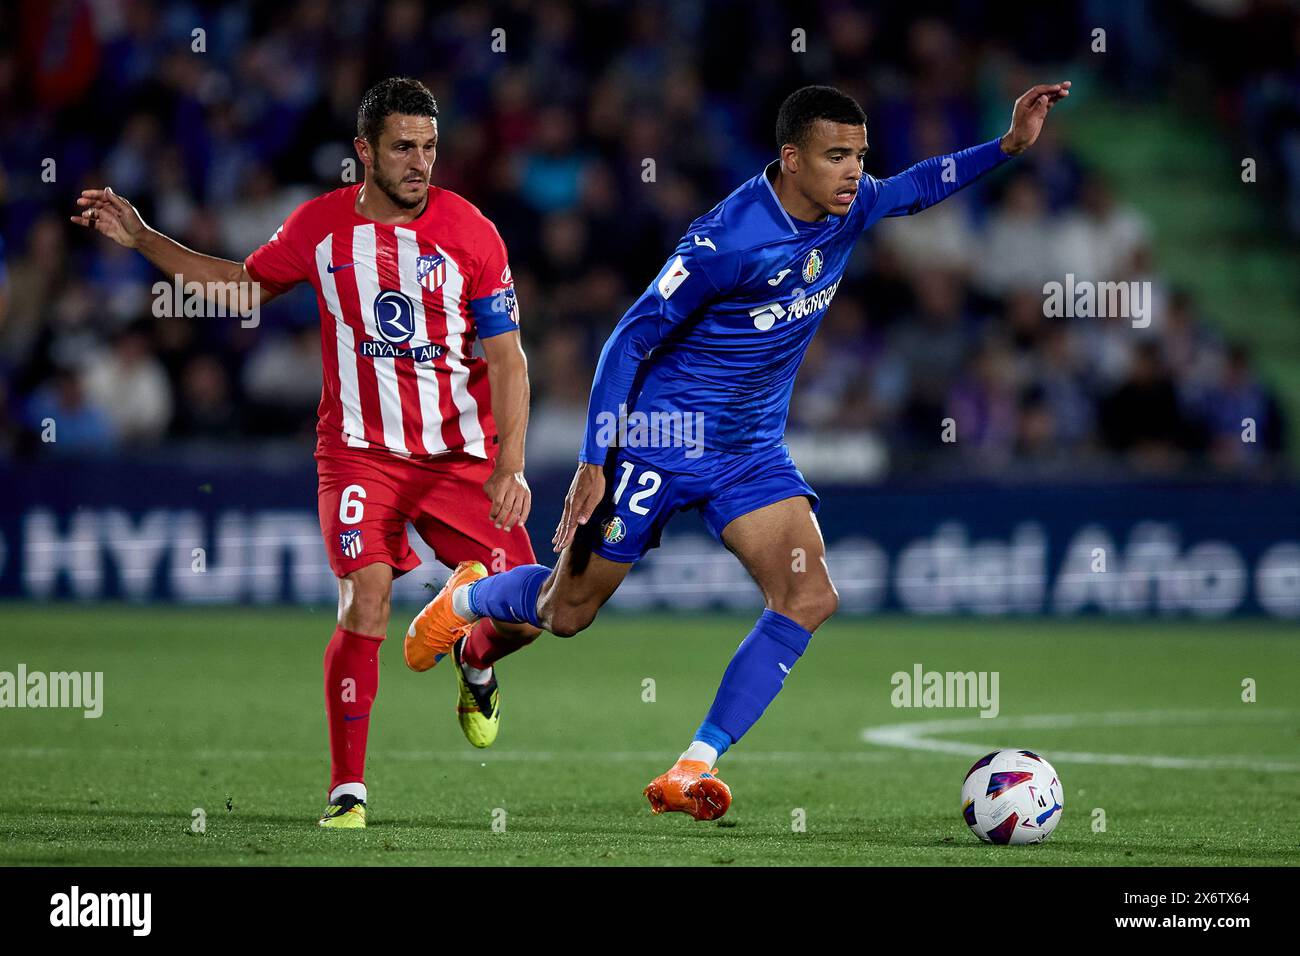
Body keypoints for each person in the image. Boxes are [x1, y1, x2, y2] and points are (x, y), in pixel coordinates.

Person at [407, 81, 1070, 821]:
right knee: (565, 613)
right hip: (660, 443)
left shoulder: (850, 211)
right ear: (791, 159)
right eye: (837, 157)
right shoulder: (727, 239)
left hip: (749, 450)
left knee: (809, 596)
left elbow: (918, 187)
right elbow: (629, 339)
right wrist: (597, 460)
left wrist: (1007, 146)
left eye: (860, 156)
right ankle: (465, 601)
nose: (855, 172)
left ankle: (690, 768)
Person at [72, 77, 542, 829]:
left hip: (459, 458)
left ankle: (474, 658)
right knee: (365, 598)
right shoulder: (321, 229)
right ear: (363, 153)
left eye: (429, 147)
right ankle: (347, 792)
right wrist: (142, 239)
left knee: (529, 610)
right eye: (403, 148)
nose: (421, 163)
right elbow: (237, 288)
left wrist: (509, 465)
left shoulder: (473, 233)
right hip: (359, 456)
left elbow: (511, 360)